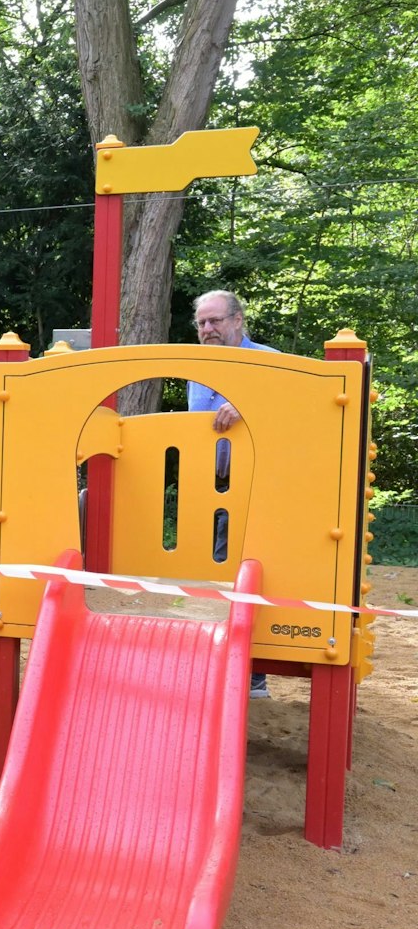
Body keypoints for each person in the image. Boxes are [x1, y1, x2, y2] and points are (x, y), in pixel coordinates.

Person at [192, 289, 276, 698]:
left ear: (238, 320)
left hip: (258, 487)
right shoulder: (197, 369)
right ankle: (212, 664)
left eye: (216, 321)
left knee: (249, 573)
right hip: (208, 487)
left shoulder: (269, 362)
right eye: (202, 323)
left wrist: (250, 409)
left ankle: (254, 674)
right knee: (208, 575)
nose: (208, 329)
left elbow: (295, 412)